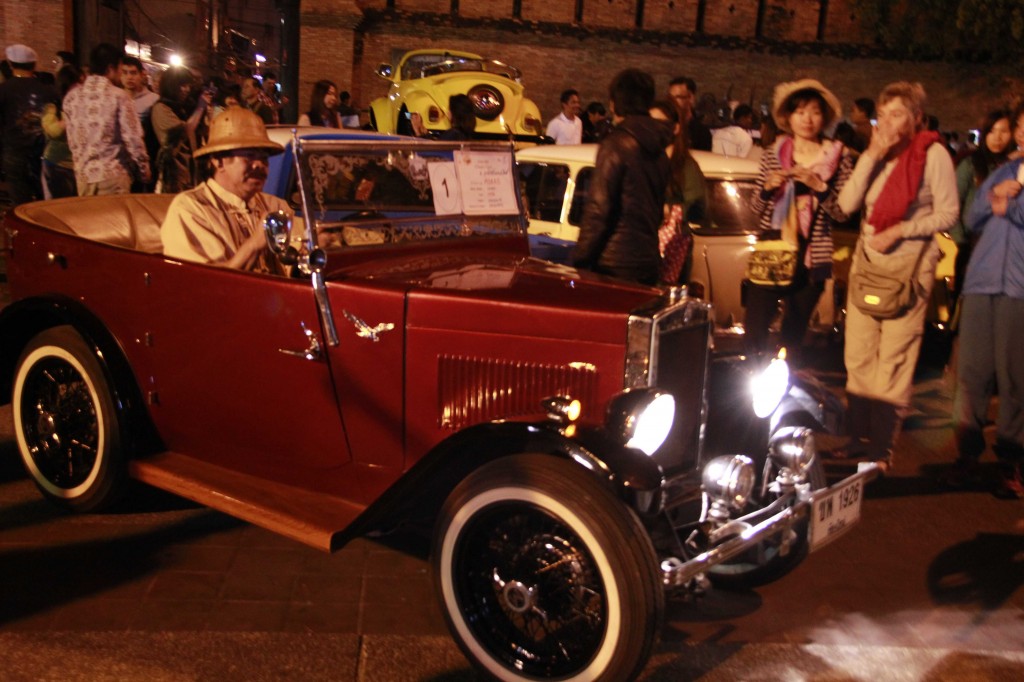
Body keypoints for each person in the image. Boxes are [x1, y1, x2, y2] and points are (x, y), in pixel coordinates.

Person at [835, 82, 958, 470]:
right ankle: (857, 438)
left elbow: (948, 213)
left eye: (897, 114)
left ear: (917, 118)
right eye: (882, 115)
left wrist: (902, 229)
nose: (886, 123)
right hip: (868, 266)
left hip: (909, 269)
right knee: (857, 356)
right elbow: (846, 204)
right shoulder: (875, 154)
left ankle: (880, 450)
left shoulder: (933, 154)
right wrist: (871, 154)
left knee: (894, 361)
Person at [746, 79, 852, 364]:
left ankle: (786, 382)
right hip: (772, 253)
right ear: (788, 117)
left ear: (824, 118)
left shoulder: (839, 158)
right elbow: (755, 208)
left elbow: (843, 213)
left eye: (815, 112)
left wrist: (819, 186)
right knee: (755, 332)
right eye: (800, 112)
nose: (807, 119)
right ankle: (750, 379)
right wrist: (768, 188)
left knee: (793, 337)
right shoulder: (772, 154)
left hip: (812, 259)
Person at [950, 143, 1024, 498]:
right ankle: (966, 455)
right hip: (982, 281)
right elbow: (972, 216)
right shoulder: (1003, 171)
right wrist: (995, 195)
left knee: (1015, 378)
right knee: (972, 373)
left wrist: (1011, 206)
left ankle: (1011, 461)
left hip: (1020, 289)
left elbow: (1008, 212)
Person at [572, 69, 673, 285]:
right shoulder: (660, 149)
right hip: (648, 260)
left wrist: (579, 260)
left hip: (613, 264)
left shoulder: (615, 145)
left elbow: (598, 210)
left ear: (614, 103)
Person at [161, 108, 290, 273]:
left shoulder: (274, 206)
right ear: (218, 161)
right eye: (249, 156)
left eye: (264, 158)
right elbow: (201, 281)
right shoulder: (190, 209)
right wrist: (255, 244)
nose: (259, 165)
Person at [63, 43, 150, 196]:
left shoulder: (71, 97)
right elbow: (133, 139)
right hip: (113, 177)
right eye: (121, 69)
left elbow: (72, 140)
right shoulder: (119, 96)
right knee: (114, 213)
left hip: (83, 178)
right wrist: (144, 170)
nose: (121, 74)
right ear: (111, 68)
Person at [951, 109, 1013, 305]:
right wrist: (961, 242)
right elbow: (954, 203)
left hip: (1005, 250)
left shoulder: (1014, 167)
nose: (997, 138)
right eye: (992, 131)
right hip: (972, 246)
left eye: (1004, 131)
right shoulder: (971, 164)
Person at [650, 99, 706, 284]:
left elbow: (698, 207)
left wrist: (671, 208)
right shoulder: (646, 160)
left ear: (675, 128)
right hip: (643, 247)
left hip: (671, 248)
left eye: (659, 123)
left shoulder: (686, 166)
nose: (653, 128)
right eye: (650, 122)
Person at [0, 44, 58, 203]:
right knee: (43, 197)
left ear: (11, 64)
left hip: (14, 151)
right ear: (34, 65)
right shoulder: (48, 90)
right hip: (43, 152)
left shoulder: (4, 90)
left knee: (19, 200)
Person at [151, 66, 211, 193]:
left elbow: (204, 132)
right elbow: (184, 131)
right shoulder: (161, 108)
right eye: (182, 85)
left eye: (188, 85)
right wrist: (200, 108)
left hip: (191, 170)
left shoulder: (184, 107)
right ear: (171, 85)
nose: (186, 89)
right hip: (174, 173)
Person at [40, 64, 82, 199]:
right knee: (58, 205)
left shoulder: (85, 105)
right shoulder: (53, 106)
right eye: (76, 84)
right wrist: (70, 120)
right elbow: (52, 131)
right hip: (57, 164)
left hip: (79, 166)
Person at [668, 76, 712, 151]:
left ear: (690, 98)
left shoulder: (701, 132)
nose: (671, 101)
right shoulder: (666, 125)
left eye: (677, 97)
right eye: (670, 97)